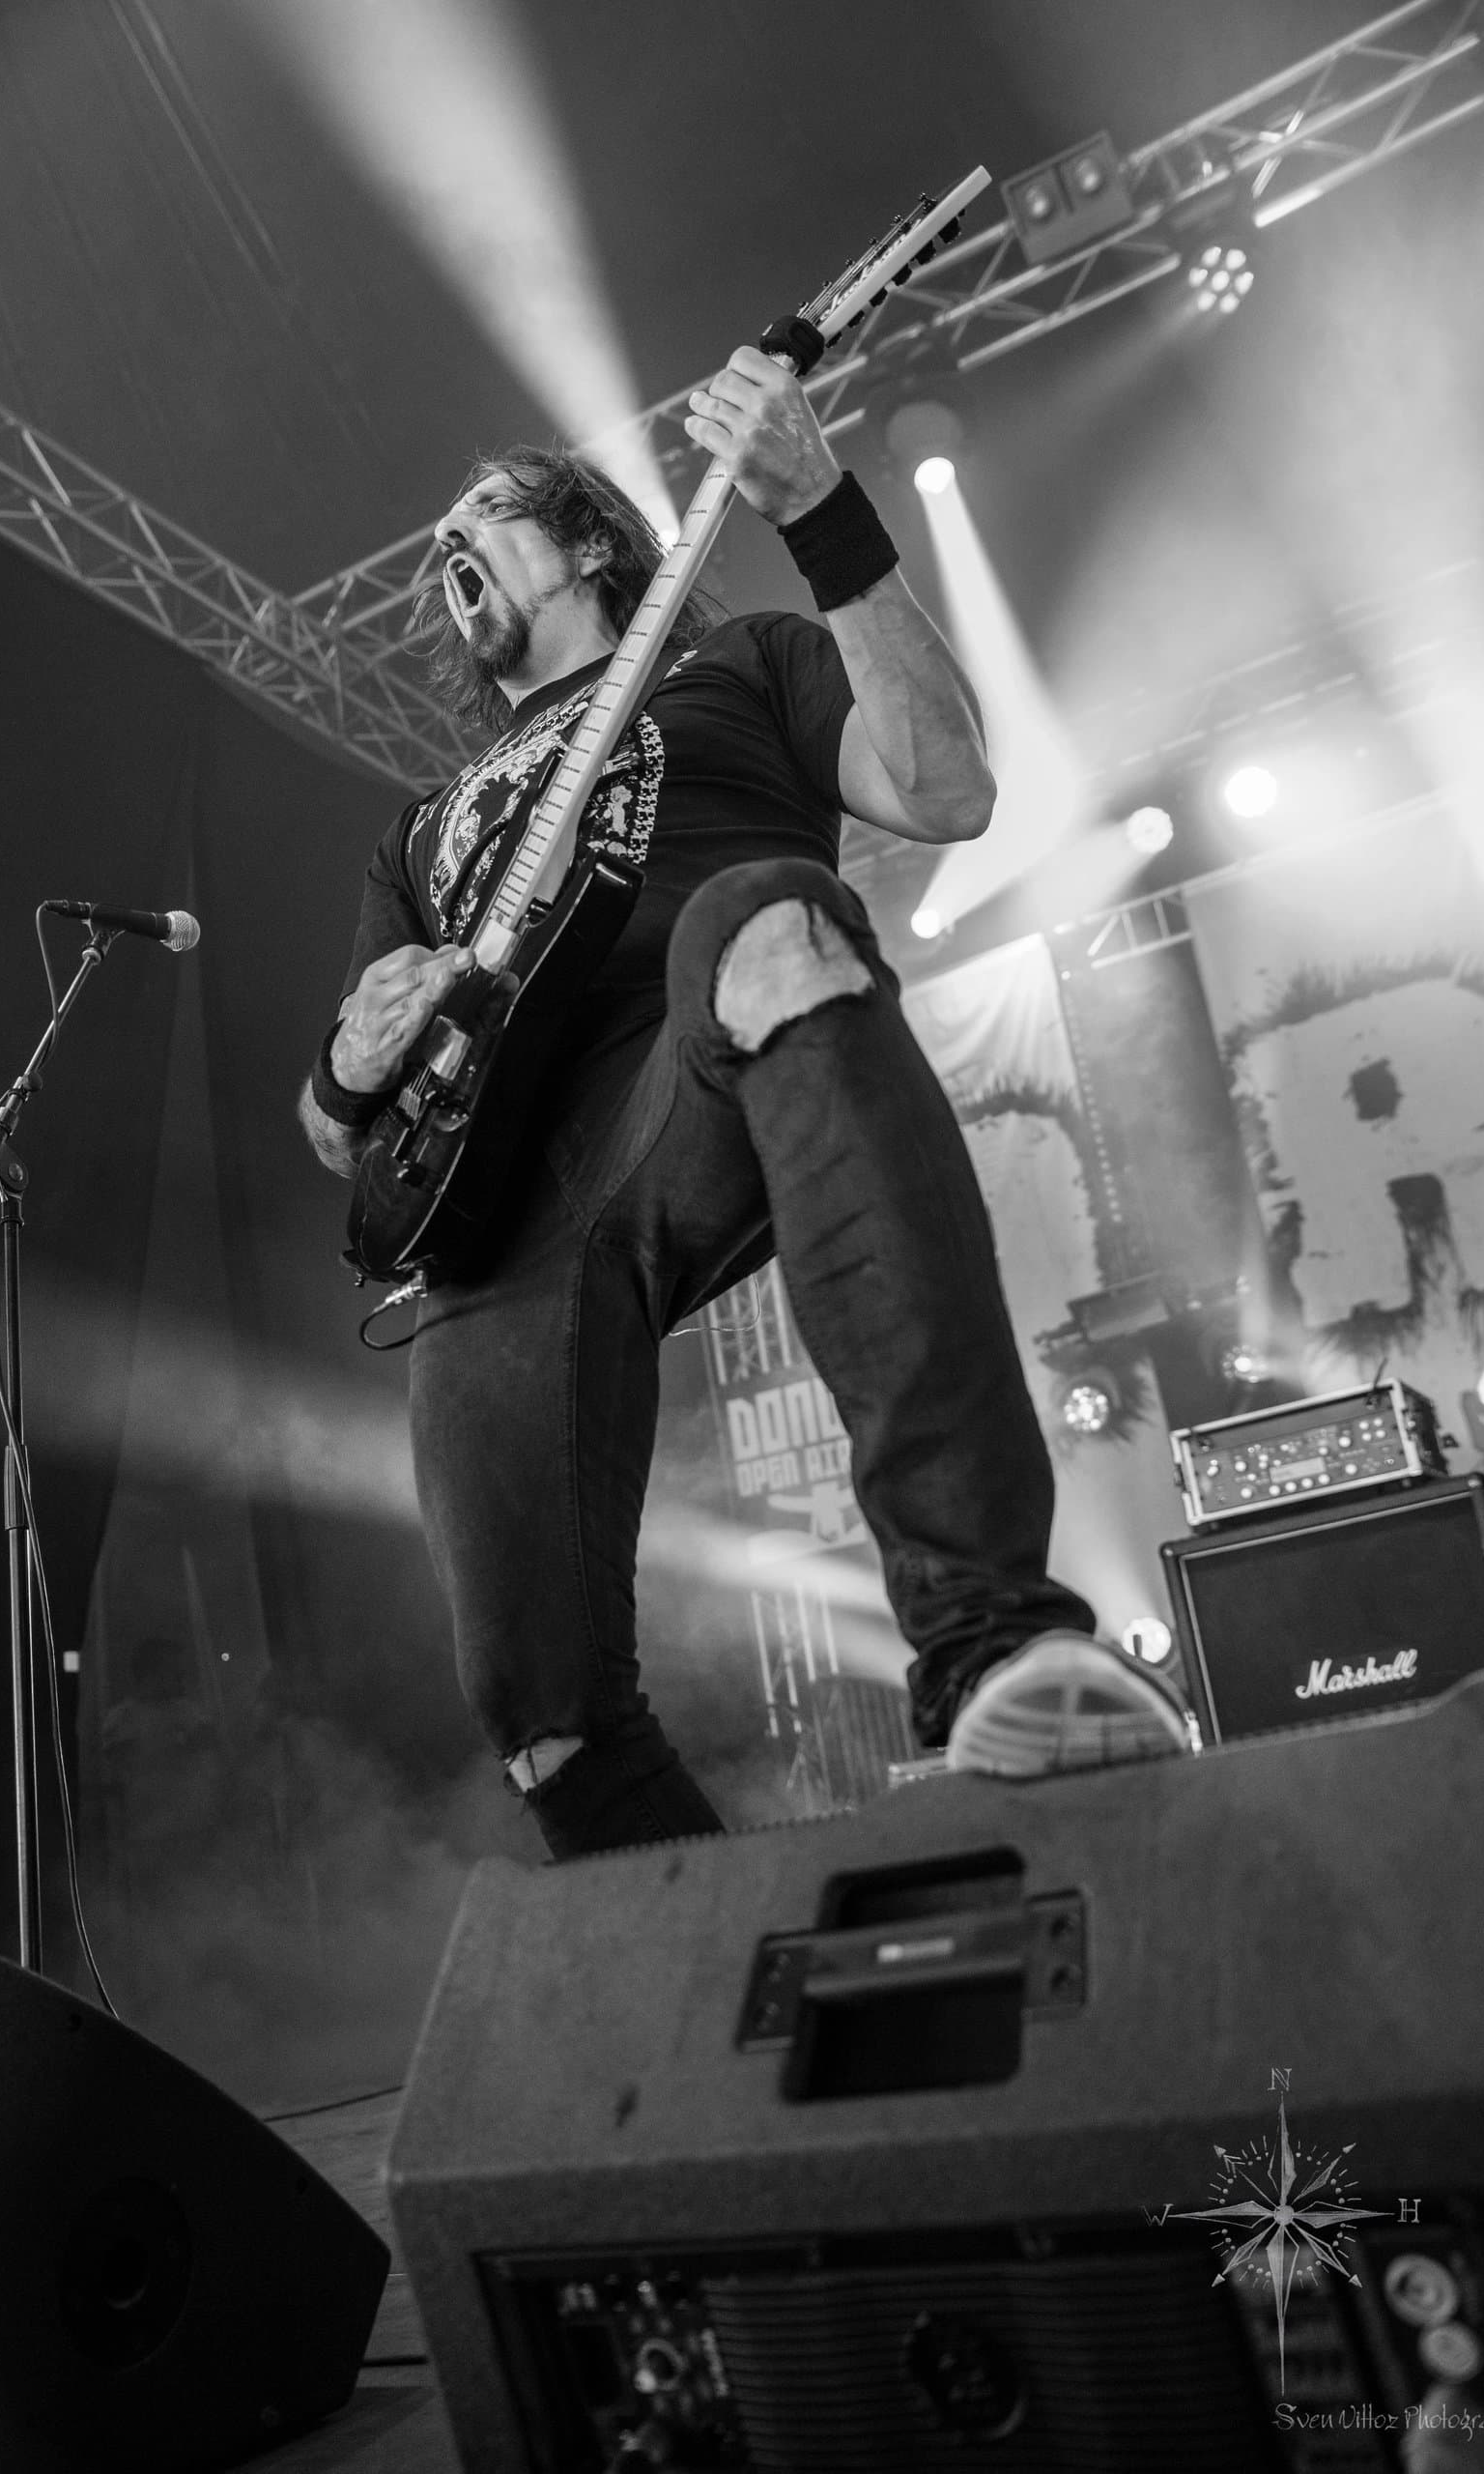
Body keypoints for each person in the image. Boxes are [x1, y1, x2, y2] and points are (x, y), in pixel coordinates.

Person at [300, 345, 1192, 1858]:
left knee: (764, 913)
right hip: (498, 1203)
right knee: (541, 1722)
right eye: (443, 529)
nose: (449, 536)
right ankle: (724, 1969)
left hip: (700, 1054)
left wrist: (822, 508)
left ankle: (994, 1638)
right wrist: (350, 1064)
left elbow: (950, 791)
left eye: (488, 510)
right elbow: (340, 1141)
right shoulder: (421, 828)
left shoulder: (742, 665)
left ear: (592, 544)